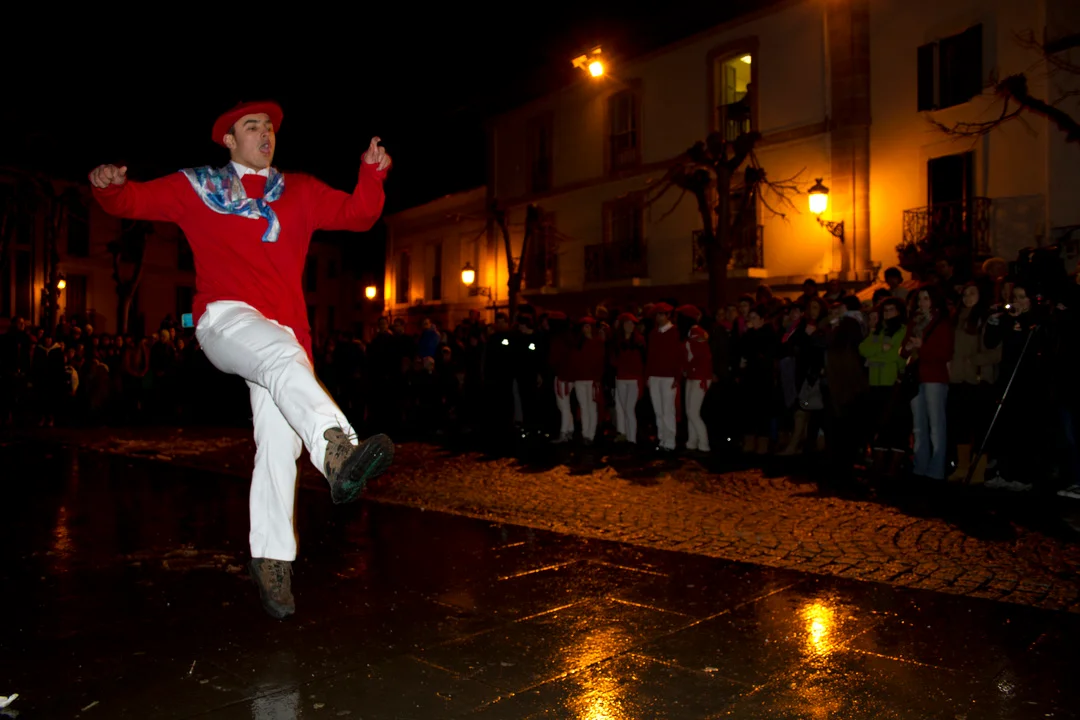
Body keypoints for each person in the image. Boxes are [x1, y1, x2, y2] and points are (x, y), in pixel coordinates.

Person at [88, 100, 395, 620]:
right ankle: (337, 449)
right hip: (225, 319)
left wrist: (371, 173)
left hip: (287, 338)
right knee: (281, 355)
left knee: (278, 444)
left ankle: (271, 559)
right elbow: (130, 200)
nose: (265, 134)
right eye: (252, 127)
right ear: (229, 140)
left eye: (270, 127)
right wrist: (108, 185)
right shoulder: (198, 186)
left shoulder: (298, 191)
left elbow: (359, 215)